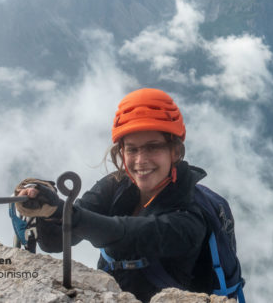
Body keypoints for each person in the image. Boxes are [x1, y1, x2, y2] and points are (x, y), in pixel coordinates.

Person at [14, 88, 213, 302]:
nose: (140, 160)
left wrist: (63, 211)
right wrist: (47, 211)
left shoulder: (189, 215)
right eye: (132, 149)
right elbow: (55, 241)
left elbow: (125, 235)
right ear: (121, 152)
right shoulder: (116, 186)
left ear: (175, 152)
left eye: (152, 147)